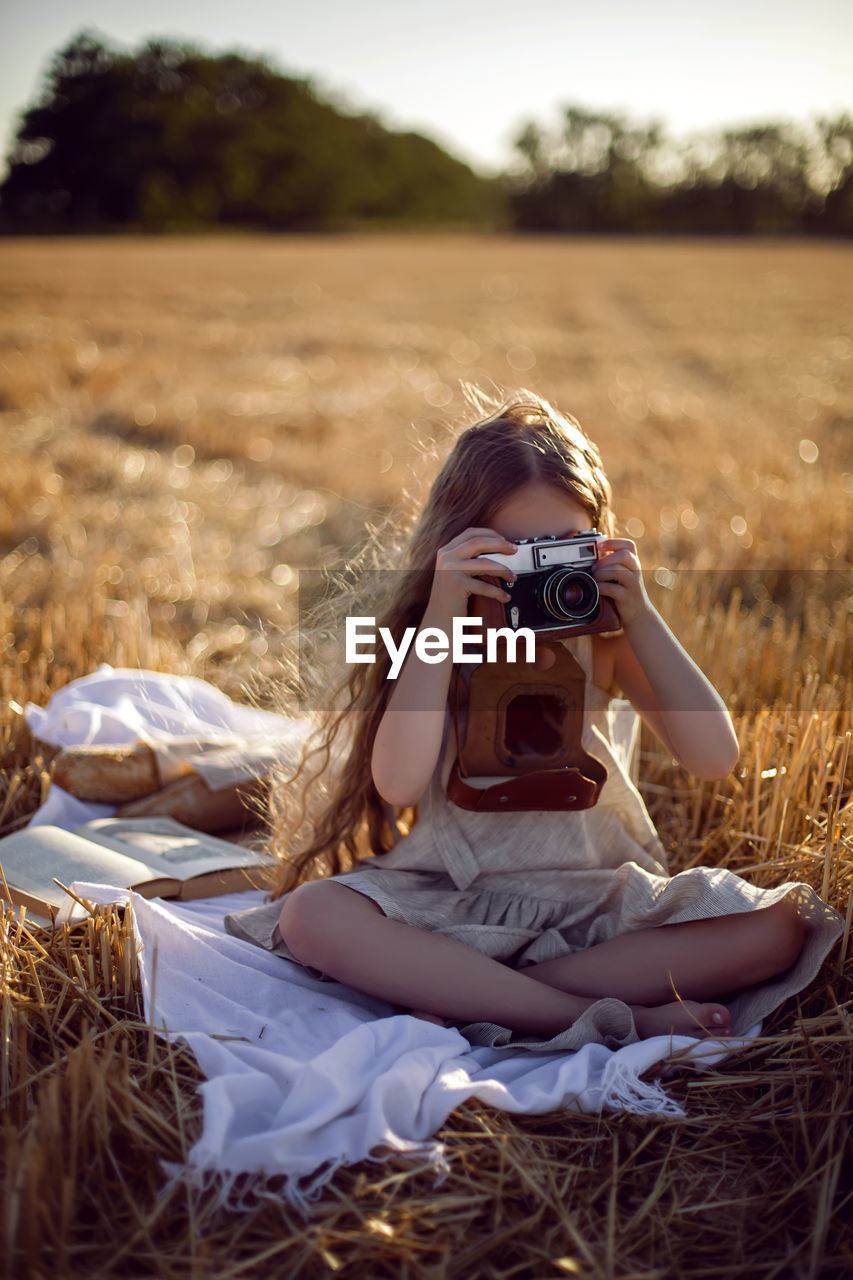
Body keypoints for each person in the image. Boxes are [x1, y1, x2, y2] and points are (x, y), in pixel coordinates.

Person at [225, 389, 843, 1051]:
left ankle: (473, 994)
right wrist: (441, 612)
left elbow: (714, 757)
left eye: (564, 549)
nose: (540, 575)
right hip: (454, 900)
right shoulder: (436, 636)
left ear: (597, 541)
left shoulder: (601, 637)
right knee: (314, 915)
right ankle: (591, 1017)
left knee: (778, 928)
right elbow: (398, 784)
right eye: (516, 554)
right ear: (455, 544)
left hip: (595, 902)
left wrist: (638, 615)